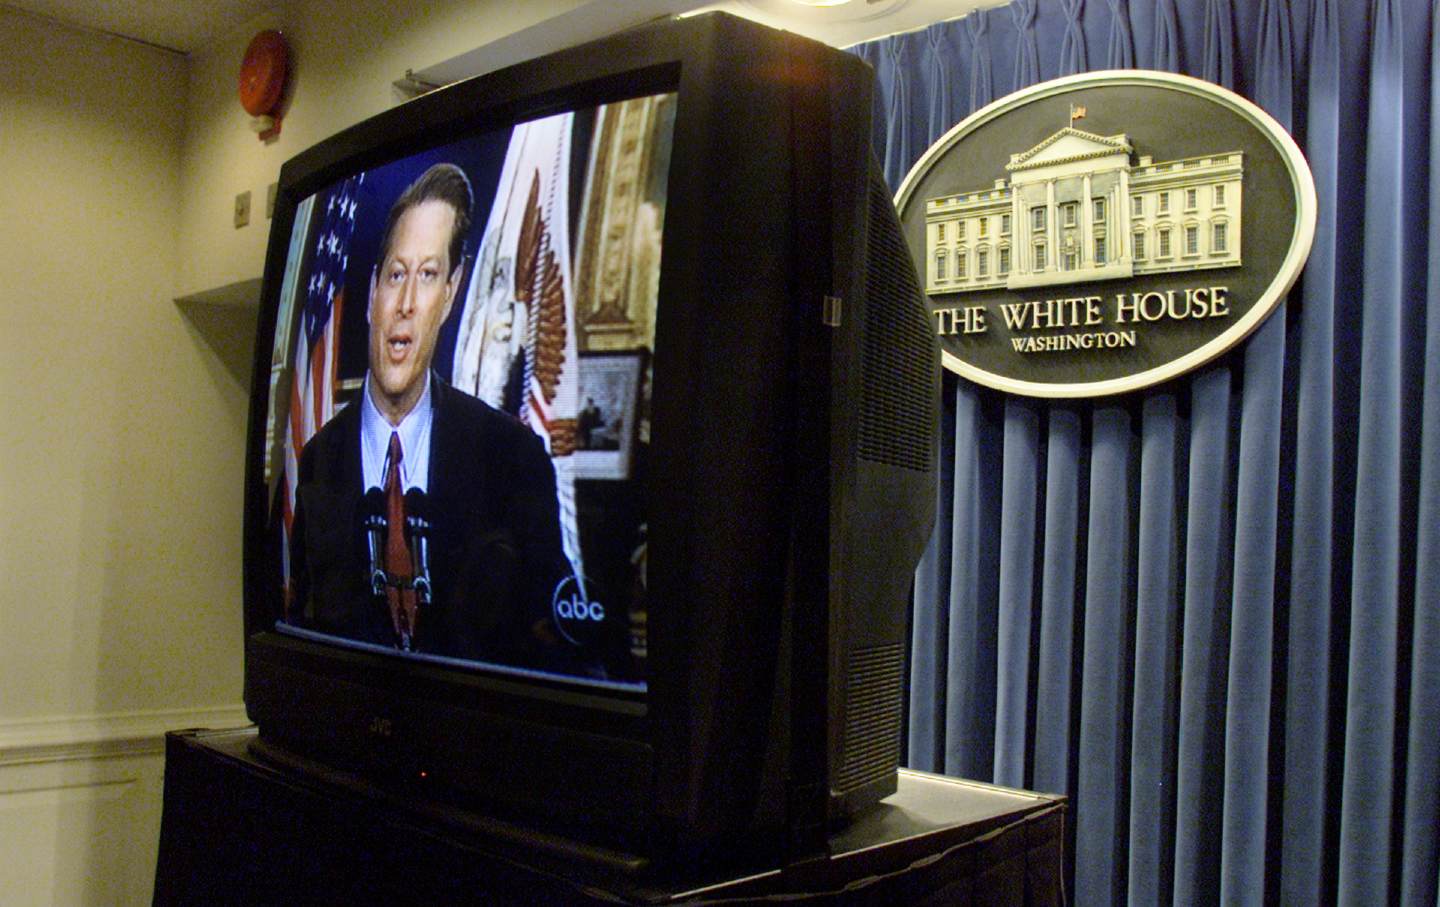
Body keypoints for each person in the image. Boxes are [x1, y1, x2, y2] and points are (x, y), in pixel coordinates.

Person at [288, 163, 571, 665]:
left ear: (450, 294)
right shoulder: (318, 462)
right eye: (396, 275)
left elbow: (551, 650)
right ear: (372, 293)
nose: (406, 303)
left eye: (428, 276)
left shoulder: (513, 459)